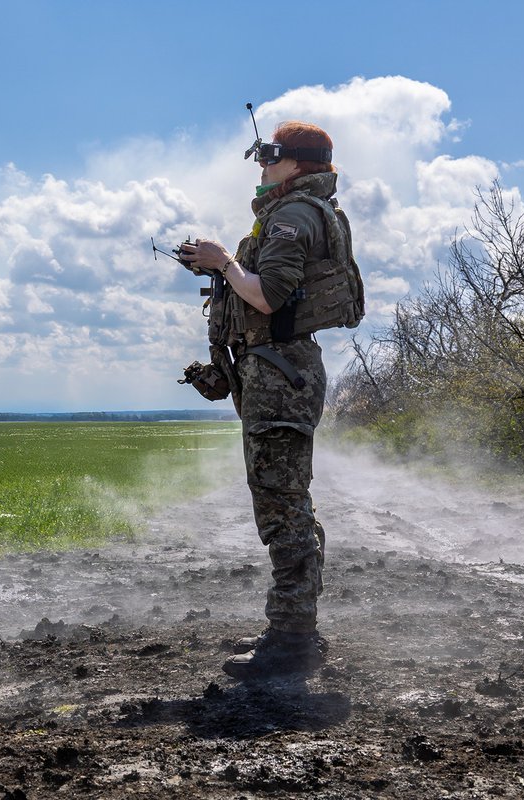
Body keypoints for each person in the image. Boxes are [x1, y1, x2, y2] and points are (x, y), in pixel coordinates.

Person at [179, 119, 358, 680]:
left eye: (270, 155)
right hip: (278, 373)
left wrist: (224, 264)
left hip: (280, 377)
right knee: (286, 501)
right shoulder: (296, 211)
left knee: (282, 507)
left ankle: (292, 640)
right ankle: (293, 627)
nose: (261, 165)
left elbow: (268, 297)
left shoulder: (292, 216)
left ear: (298, 163)